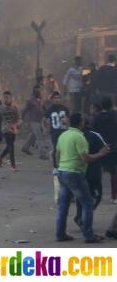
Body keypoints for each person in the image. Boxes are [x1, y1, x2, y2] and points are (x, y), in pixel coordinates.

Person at [55, 113, 109, 243]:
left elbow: (57, 154)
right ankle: (88, 235)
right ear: (81, 123)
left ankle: (60, 234)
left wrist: (59, 167)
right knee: (87, 203)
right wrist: (100, 154)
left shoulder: (63, 135)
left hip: (62, 171)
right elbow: (86, 158)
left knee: (63, 205)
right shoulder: (79, 137)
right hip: (74, 173)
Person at [91, 96, 117, 204]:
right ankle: (114, 196)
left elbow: (94, 132)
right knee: (114, 173)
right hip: (115, 147)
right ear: (111, 105)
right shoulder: (115, 115)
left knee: (98, 171)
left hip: (101, 148)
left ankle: (96, 193)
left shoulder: (96, 118)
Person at [21, 87, 48, 160]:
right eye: (37, 91)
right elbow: (24, 110)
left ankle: (25, 147)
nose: (39, 93)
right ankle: (42, 154)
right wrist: (22, 118)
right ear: (34, 92)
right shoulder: (30, 100)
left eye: (39, 91)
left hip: (38, 120)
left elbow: (43, 109)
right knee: (39, 137)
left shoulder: (39, 100)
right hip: (32, 121)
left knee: (33, 135)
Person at [44, 91, 70, 168]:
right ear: (52, 99)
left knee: (64, 149)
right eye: (55, 98)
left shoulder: (65, 109)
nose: (57, 99)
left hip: (64, 131)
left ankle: (63, 164)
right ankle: (55, 167)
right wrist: (45, 128)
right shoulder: (50, 109)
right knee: (55, 149)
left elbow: (68, 119)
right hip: (54, 132)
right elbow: (44, 119)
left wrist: (67, 123)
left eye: (58, 98)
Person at [0, 91, 21, 171]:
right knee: (11, 146)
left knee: (9, 146)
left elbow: (19, 119)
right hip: (5, 129)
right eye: (4, 98)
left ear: (11, 98)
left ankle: (0, 157)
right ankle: (13, 166)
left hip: (13, 129)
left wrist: (17, 125)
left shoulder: (15, 108)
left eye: (7, 97)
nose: (6, 99)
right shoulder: (2, 108)